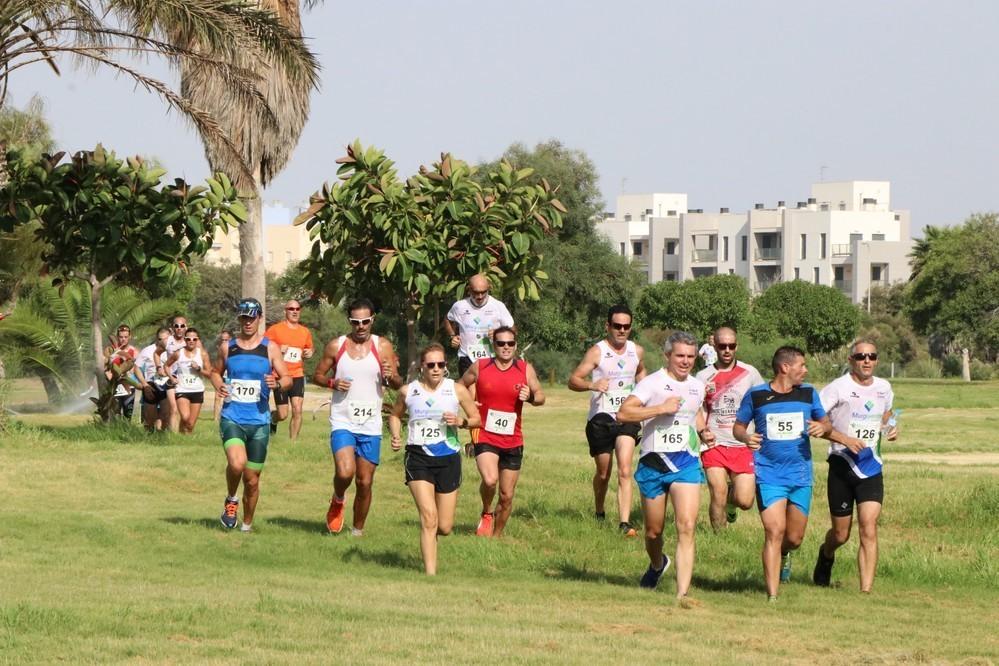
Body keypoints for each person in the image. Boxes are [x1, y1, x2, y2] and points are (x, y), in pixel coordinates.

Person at [617, 331, 712, 599]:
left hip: (686, 463)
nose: (685, 361)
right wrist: (659, 409)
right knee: (653, 531)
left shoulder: (697, 386)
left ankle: (682, 595)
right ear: (667, 355)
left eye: (690, 356)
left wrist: (703, 431)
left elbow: (695, 412)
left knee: (687, 526)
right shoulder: (652, 384)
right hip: (654, 465)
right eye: (680, 356)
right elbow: (623, 413)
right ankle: (658, 564)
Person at [733, 346, 831, 602]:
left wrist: (822, 427)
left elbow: (826, 422)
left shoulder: (808, 393)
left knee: (794, 538)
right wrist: (745, 437)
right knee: (774, 532)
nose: (805, 370)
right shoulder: (756, 395)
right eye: (802, 365)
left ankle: (785, 554)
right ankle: (772, 596)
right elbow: (738, 427)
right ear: (785, 367)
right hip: (769, 474)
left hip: (800, 475)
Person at [388, 343, 481, 575]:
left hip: (448, 458)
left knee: (444, 526)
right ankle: (430, 576)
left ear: (445, 366)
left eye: (440, 364)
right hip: (418, 457)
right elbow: (395, 416)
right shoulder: (408, 391)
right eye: (431, 365)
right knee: (429, 518)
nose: (436, 369)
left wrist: (461, 422)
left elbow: (477, 418)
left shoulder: (456, 390)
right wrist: (396, 435)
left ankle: (431, 538)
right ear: (422, 366)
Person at [312, 298, 403, 536]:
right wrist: (332, 383)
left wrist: (391, 375)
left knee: (364, 482)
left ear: (373, 320)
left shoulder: (382, 346)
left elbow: (396, 383)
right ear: (349, 321)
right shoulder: (337, 346)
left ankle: (357, 531)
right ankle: (338, 498)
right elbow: (317, 375)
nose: (360, 326)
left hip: (370, 424)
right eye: (355, 322)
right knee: (345, 472)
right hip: (343, 420)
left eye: (365, 321)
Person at [813, 340, 898, 592]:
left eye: (872, 356)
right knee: (841, 534)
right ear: (851, 360)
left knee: (868, 527)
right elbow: (816, 423)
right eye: (861, 356)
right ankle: (826, 554)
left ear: (877, 360)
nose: (867, 360)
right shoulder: (837, 388)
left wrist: (890, 427)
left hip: (871, 466)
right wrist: (845, 440)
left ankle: (866, 591)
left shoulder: (884, 387)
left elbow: (887, 413)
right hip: (842, 464)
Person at [209, 298, 292, 532]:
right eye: (244, 317)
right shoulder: (228, 347)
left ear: (259, 319)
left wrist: (277, 383)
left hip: (259, 422)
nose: (247, 322)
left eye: (252, 317)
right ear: (239, 319)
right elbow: (215, 372)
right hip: (232, 417)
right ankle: (231, 500)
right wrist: (218, 384)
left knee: (252, 480)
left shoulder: (270, 348)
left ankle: (246, 526)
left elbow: (287, 378)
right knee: (237, 464)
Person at [567, 304, 647, 536]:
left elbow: (641, 372)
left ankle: (624, 523)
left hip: (627, 417)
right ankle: (599, 510)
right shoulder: (597, 352)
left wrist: (643, 393)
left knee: (625, 469)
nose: (622, 330)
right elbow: (573, 380)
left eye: (626, 326)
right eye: (617, 326)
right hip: (601, 419)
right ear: (608, 326)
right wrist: (592, 385)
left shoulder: (636, 351)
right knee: (604, 473)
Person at [459, 326, 545, 538]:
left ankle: (495, 538)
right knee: (490, 480)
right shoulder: (480, 366)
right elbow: (458, 387)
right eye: (501, 343)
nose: (506, 347)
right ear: (494, 345)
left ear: (515, 345)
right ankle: (487, 511)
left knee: (506, 496)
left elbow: (541, 396)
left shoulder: (525, 369)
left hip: (512, 438)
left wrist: (530, 397)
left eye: (510, 343)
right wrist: (469, 402)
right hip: (484, 433)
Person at [695, 327, 764, 530]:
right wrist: (702, 432)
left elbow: (763, 403)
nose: (727, 350)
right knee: (718, 492)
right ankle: (719, 538)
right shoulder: (703, 376)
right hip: (714, 443)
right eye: (722, 346)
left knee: (745, 501)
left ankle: (731, 504)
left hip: (743, 443)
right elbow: (696, 408)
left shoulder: (750, 373)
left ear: (736, 346)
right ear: (714, 346)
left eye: (731, 346)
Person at [445, 274, 515, 378]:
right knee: (468, 388)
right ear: (469, 290)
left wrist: (498, 334)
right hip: (466, 357)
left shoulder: (498, 306)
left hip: (492, 358)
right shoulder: (459, 306)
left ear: (488, 288)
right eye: (476, 292)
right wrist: (452, 336)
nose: (480, 296)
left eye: (483, 292)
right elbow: (448, 319)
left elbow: (513, 330)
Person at [265, 300, 314, 440]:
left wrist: (309, 352)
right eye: (291, 309)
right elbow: (262, 347)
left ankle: (293, 443)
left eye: (297, 309)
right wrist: (277, 349)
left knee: (297, 409)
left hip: (297, 374)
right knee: (283, 414)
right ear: (285, 311)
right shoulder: (275, 330)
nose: (295, 311)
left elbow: (309, 348)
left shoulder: (305, 331)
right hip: (280, 376)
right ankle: (273, 419)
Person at [165, 327, 212, 434]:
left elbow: (209, 374)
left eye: (194, 339)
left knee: (190, 424)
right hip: (182, 389)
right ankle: (182, 433)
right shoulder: (178, 353)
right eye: (188, 339)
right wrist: (172, 378)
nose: (191, 341)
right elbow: (166, 365)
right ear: (185, 339)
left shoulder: (203, 354)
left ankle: (184, 437)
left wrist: (199, 369)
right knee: (185, 417)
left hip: (197, 390)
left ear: (197, 340)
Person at [134, 328, 173, 432]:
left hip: (166, 385)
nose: (162, 341)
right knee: (149, 420)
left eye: (165, 339)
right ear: (156, 338)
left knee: (165, 416)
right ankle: (149, 437)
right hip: (151, 386)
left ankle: (163, 436)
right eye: (160, 339)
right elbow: (136, 368)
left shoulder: (173, 351)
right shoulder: (147, 350)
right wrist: (144, 384)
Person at [104, 324, 140, 420]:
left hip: (129, 387)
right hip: (114, 386)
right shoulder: (110, 350)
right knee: (114, 416)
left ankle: (126, 429)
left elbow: (138, 369)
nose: (123, 339)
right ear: (117, 337)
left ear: (130, 337)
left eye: (125, 337)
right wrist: (110, 360)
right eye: (121, 337)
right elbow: (104, 366)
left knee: (128, 416)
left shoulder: (135, 351)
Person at [163, 315, 189, 432]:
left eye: (182, 326)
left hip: (186, 378)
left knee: (184, 412)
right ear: (172, 328)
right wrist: (159, 366)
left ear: (186, 327)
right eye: (176, 326)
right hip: (171, 378)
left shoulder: (191, 341)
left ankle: (183, 433)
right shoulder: (167, 340)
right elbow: (156, 352)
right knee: (173, 408)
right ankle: (172, 435)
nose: (179, 328)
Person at [213, 329, 233, 422]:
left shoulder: (234, 350)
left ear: (230, 339)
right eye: (222, 340)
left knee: (228, 397)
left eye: (226, 340)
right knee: (217, 396)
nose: (224, 342)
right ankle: (215, 419)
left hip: (230, 378)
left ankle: (227, 417)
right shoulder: (220, 349)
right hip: (221, 376)